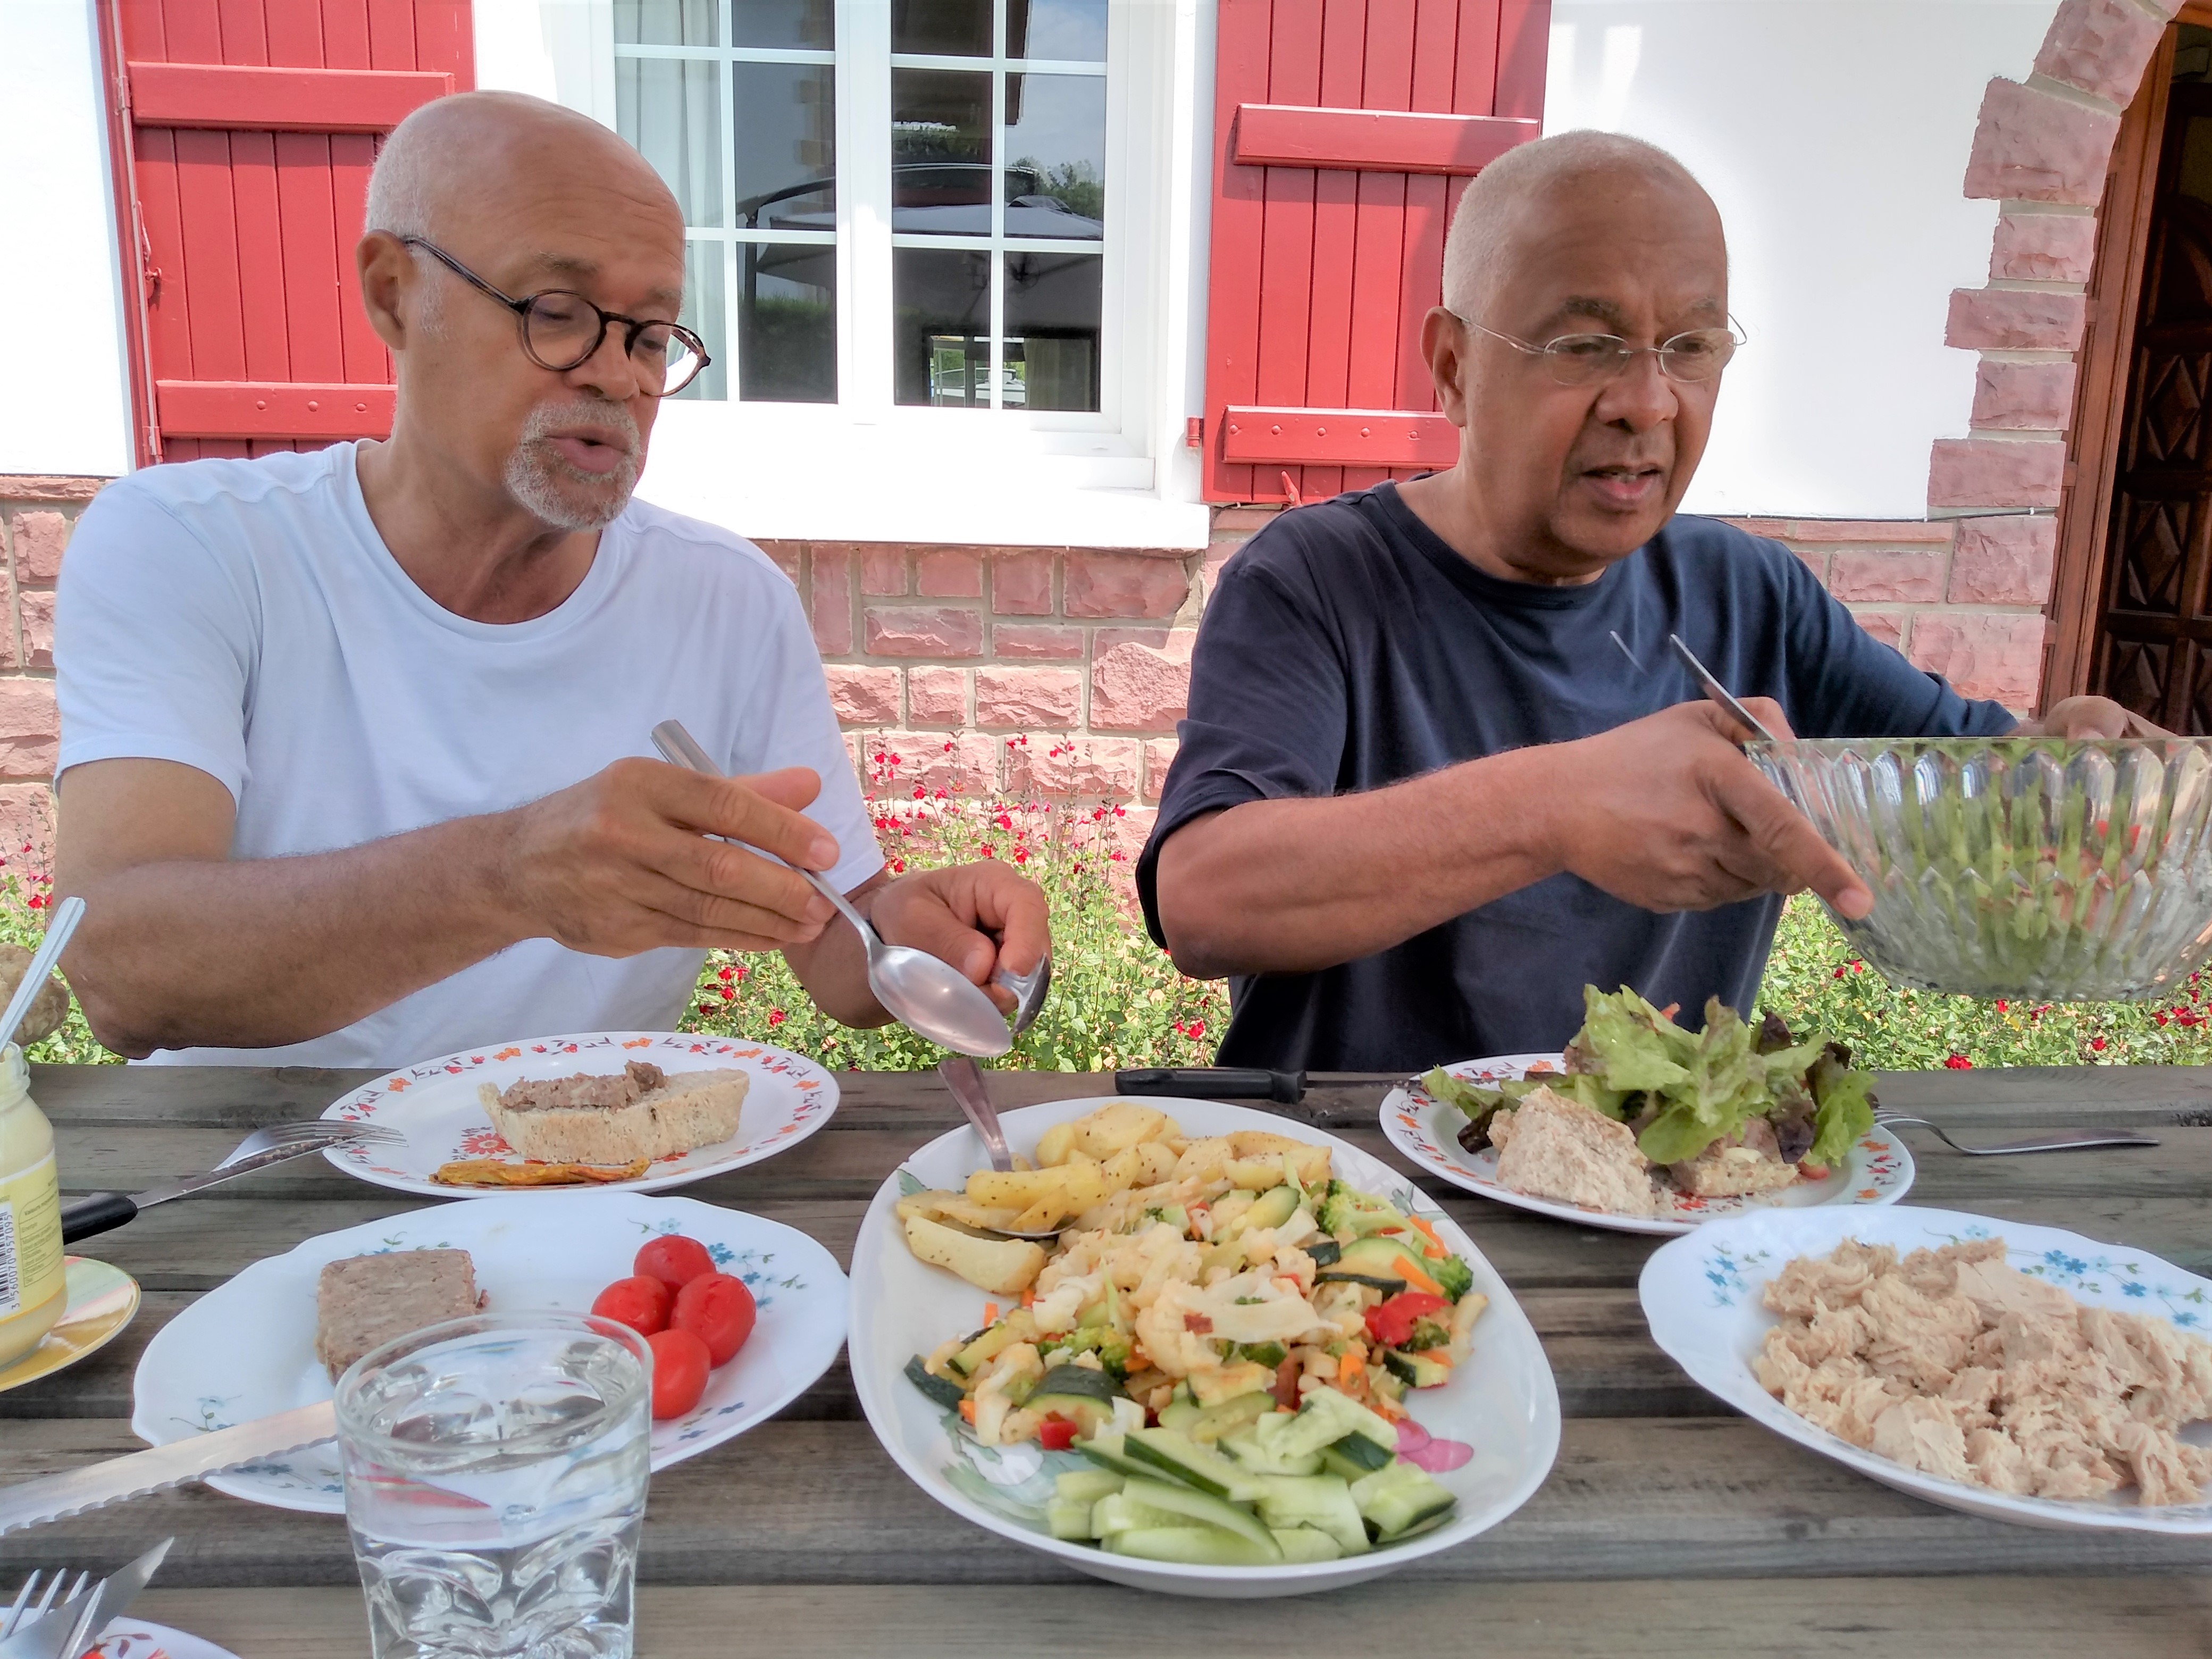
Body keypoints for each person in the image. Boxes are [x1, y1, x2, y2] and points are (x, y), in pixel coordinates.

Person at [52, 91, 1046, 1066]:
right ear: (394, 292)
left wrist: (897, 931)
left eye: (652, 336)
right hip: (266, 1194)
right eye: (558, 312)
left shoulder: (723, 596)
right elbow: (122, 973)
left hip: (607, 1188)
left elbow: (827, 934)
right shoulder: (191, 545)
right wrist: (510, 876)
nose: (619, 377)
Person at [1141, 130, 2146, 1075]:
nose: (1649, 400)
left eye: (1693, 346)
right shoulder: (1317, 578)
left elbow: (1982, 781)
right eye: (1585, 346)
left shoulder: (1750, 593)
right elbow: (1206, 899)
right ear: (1454, 366)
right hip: (1363, 1212)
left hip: (1658, 1199)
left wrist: (2081, 769)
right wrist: (1561, 808)